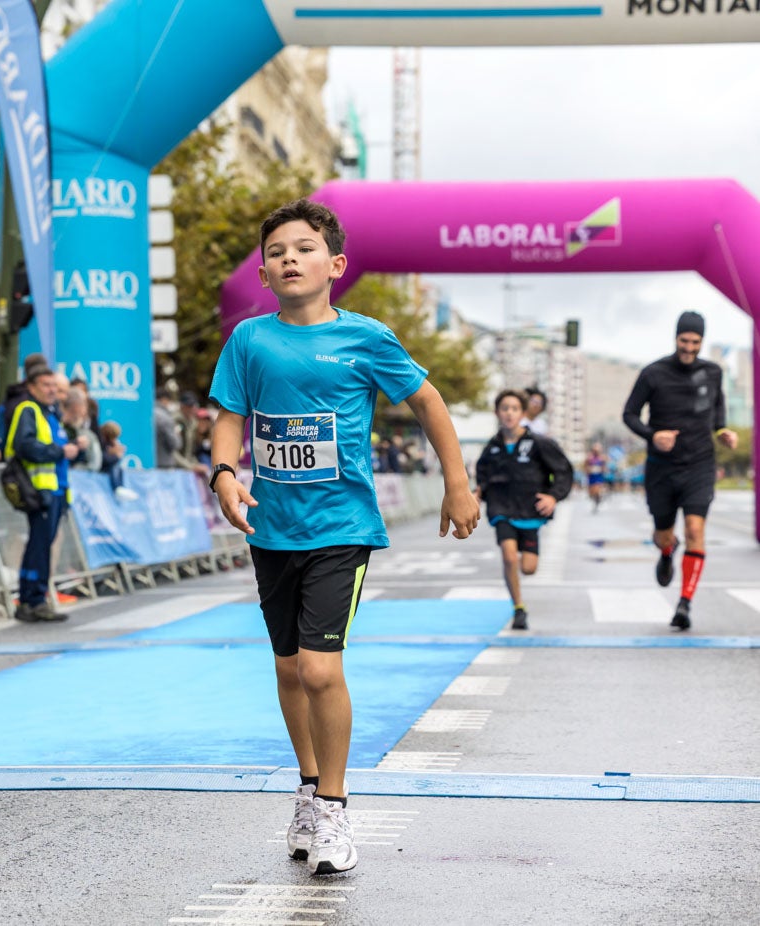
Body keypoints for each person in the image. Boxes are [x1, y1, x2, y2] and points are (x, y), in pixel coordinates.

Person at [208, 199, 478, 876]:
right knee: (286, 669)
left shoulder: (367, 338)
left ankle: (333, 805)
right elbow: (230, 415)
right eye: (276, 252)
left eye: (303, 248)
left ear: (335, 265)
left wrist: (457, 483)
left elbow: (427, 401)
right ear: (263, 274)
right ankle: (307, 788)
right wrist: (223, 473)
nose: (288, 259)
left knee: (319, 668)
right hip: (271, 528)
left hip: (341, 526)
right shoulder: (248, 341)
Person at [621, 310, 738, 630]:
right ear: (676, 338)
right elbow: (629, 414)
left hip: (700, 464)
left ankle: (685, 602)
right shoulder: (653, 373)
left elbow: (717, 411)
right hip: (662, 468)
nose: (689, 348)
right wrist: (652, 436)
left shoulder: (713, 372)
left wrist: (723, 431)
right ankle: (666, 551)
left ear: (702, 342)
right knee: (663, 535)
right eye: (684, 341)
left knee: (695, 531)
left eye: (695, 342)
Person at [474, 389, 574, 630]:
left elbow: (563, 470)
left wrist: (553, 496)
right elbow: (483, 476)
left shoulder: (539, 443)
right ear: (497, 413)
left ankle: (521, 579)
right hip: (501, 509)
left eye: (514, 409)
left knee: (528, 568)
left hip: (530, 512)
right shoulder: (492, 447)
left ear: (522, 413)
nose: (509, 413)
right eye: (504, 409)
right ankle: (518, 607)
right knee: (509, 556)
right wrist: (477, 494)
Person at [8, 363, 81, 622]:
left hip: (56, 489)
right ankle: (32, 600)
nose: (51, 390)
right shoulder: (28, 410)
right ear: (32, 387)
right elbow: (25, 446)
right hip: (40, 491)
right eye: (46, 385)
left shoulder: (50, 414)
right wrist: (60, 451)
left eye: (54, 386)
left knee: (42, 547)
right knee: (38, 547)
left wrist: (72, 450)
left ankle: (34, 598)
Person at [98, 420, 139, 501]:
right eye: (114, 437)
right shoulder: (102, 443)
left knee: (119, 468)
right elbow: (104, 460)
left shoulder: (112, 444)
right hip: (102, 467)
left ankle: (121, 487)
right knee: (114, 467)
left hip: (108, 465)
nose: (115, 439)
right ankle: (117, 488)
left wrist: (117, 453)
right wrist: (116, 456)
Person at [585, 443, 608, 512]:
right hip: (592, 477)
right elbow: (586, 466)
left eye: (598, 451)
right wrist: (589, 470)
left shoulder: (602, 458)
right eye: (595, 450)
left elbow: (604, 467)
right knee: (591, 493)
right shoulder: (589, 458)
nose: (596, 452)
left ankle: (598, 498)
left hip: (599, 477)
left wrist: (602, 470)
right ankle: (596, 499)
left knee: (597, 489)